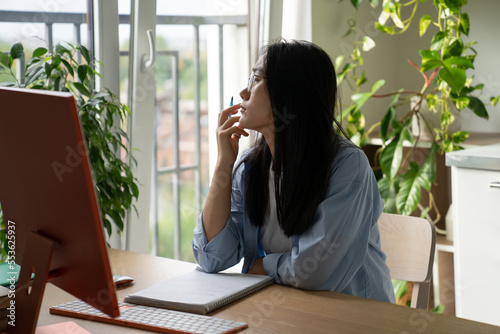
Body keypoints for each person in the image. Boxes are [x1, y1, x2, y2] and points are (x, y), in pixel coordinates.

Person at [192, 39, 395, 303]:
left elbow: (315, 271)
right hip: (286, 308)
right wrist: (223, 164)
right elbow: (212, 257)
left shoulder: (347, 167)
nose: (244, 92)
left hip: (354, 318)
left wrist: (263, 266)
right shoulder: (250, 167)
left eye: (255, 79)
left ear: (289, 92)